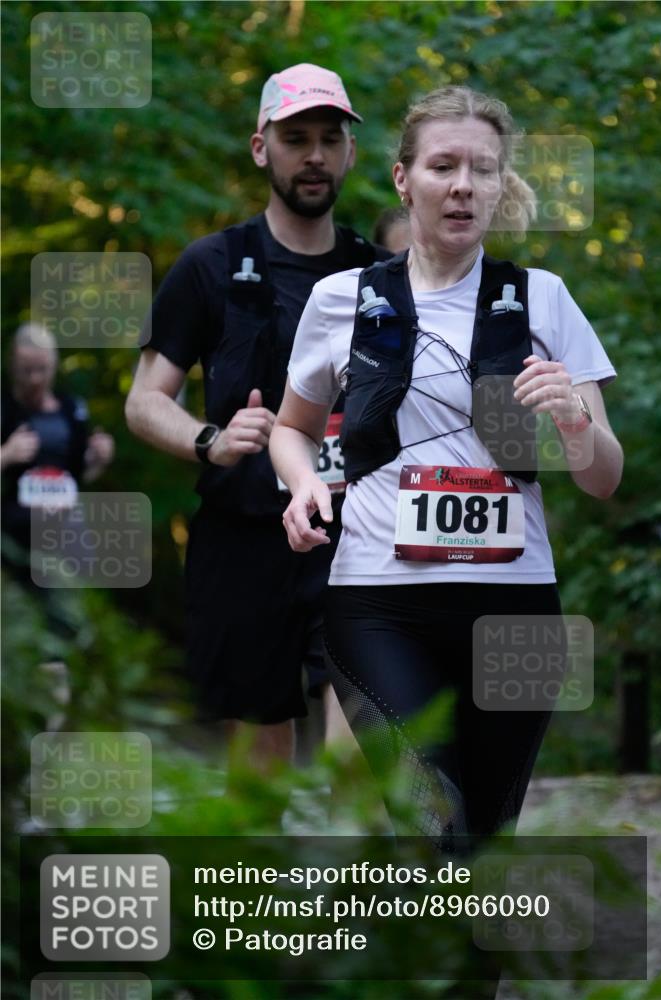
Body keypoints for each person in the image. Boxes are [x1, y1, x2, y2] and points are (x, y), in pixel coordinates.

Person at [270, 85, 623, 844]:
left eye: (484, 170)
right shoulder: (341, 299)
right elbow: (289, 430)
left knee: (484, 841)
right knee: (433, 823)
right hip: (377, 602)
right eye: (443, 166)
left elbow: (602, 476)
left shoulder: (543, 298)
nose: (464, 185)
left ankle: (458, 968)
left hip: (514, 608)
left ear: (501, 186)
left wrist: (570, 419)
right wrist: (302, 485)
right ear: (404, 179)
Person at [125, 63, 390, 769]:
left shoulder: (380, 277)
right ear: (259, 148)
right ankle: (259, 880)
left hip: (354, 540)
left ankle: (351, 882)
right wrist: (210, 439)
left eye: (328, 139)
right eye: (295, 137)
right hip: (243, 538)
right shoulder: (211, 265)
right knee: (259, 749)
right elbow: (145, 400)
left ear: (350, 152)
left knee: (360, 736)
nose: (313, 155)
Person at [2, 322, 114, 557]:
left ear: (53, 365)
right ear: (13, 365)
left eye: (42, 369)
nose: (34, 378)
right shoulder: (5, 409)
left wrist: (99, 459)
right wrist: (7, 454)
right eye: (26, 369)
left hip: (67, 534)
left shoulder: (72, 411)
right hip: (13, 535)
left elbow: (80, 475)